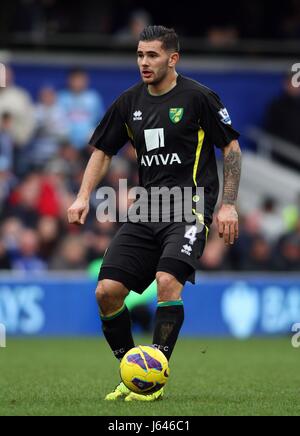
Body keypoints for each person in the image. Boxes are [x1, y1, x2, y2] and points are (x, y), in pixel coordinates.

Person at [68, 26, 242, 402]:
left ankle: (153, 378)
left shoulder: (198, 97)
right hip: (147, 208)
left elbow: (230, 147)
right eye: (140, 55)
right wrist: (83, 197)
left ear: (172, 58)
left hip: (190, 205)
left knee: (167, 280)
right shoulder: (128, 102)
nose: (144, 63)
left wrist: (228, 203)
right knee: (106, 293)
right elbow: (102, 150)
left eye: (152, 56)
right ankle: (132, 374)